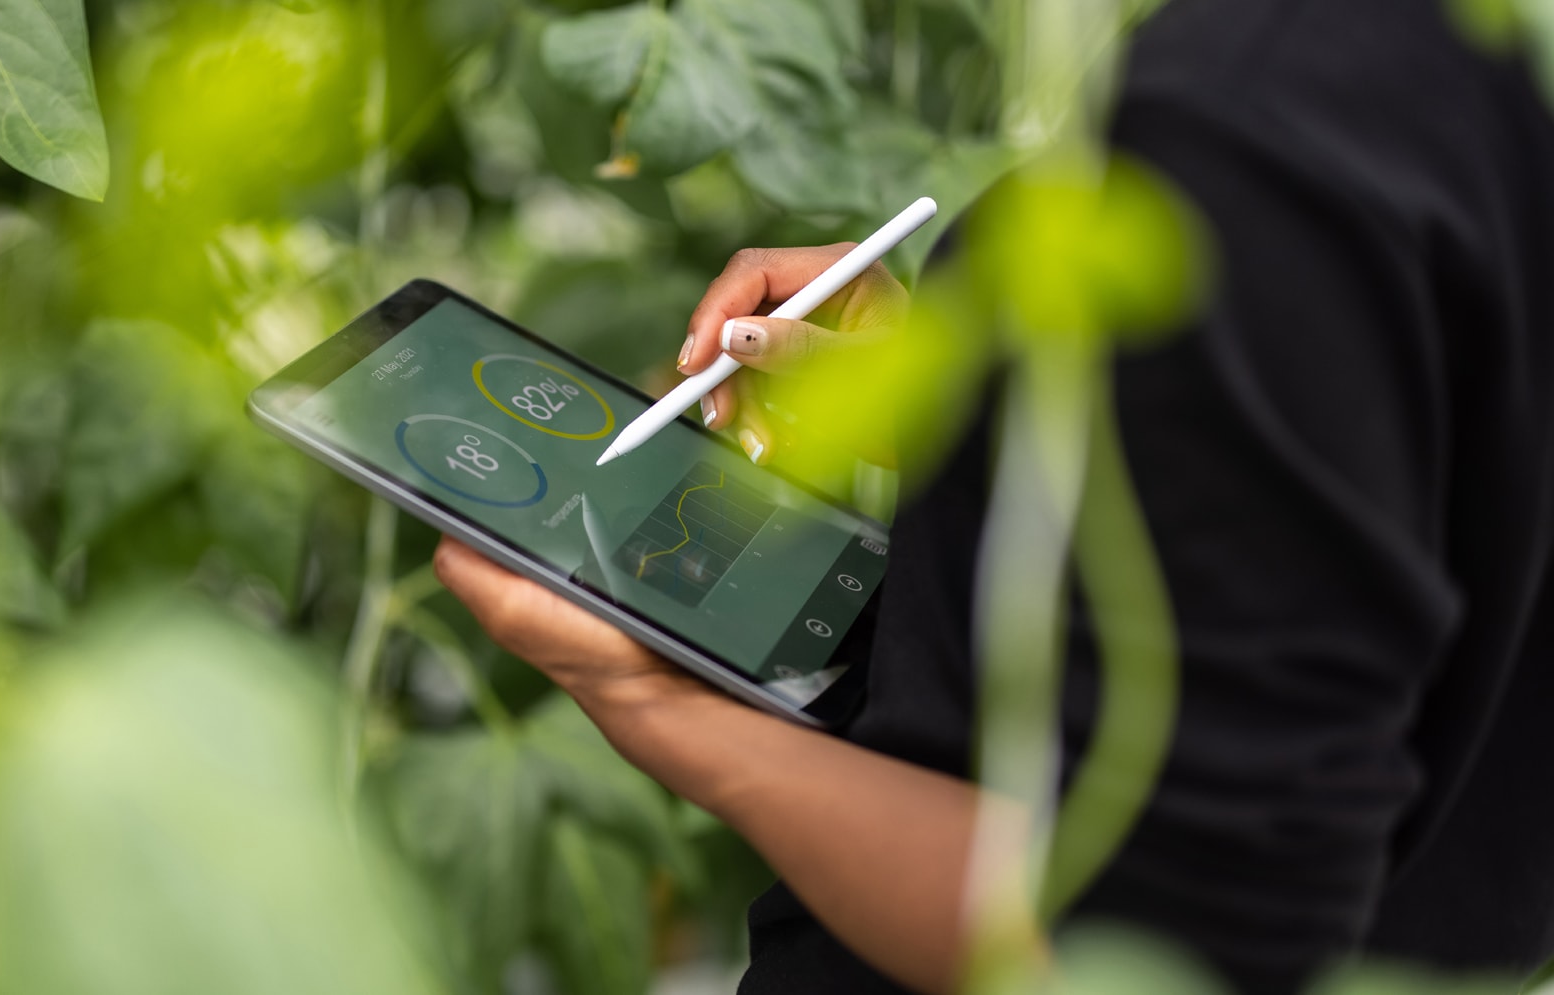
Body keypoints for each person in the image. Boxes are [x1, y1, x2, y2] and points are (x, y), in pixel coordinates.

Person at [434, 0, 1554, 990]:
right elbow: (1397, 477)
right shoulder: (1481, 56)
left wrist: (656, 701)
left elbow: (1167, 941)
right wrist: (992, 408)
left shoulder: (1248, 119)